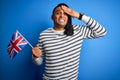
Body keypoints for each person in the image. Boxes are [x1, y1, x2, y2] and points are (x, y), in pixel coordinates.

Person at [32, 3, 107, 80]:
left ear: (69, 17)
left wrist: (79, 16)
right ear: (52, 17)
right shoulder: (43, 35)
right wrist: (36, 57)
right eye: (58, 13)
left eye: (65, 13)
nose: (62, 15)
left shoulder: (78, 30)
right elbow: (39, 62)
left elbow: (102, 32)